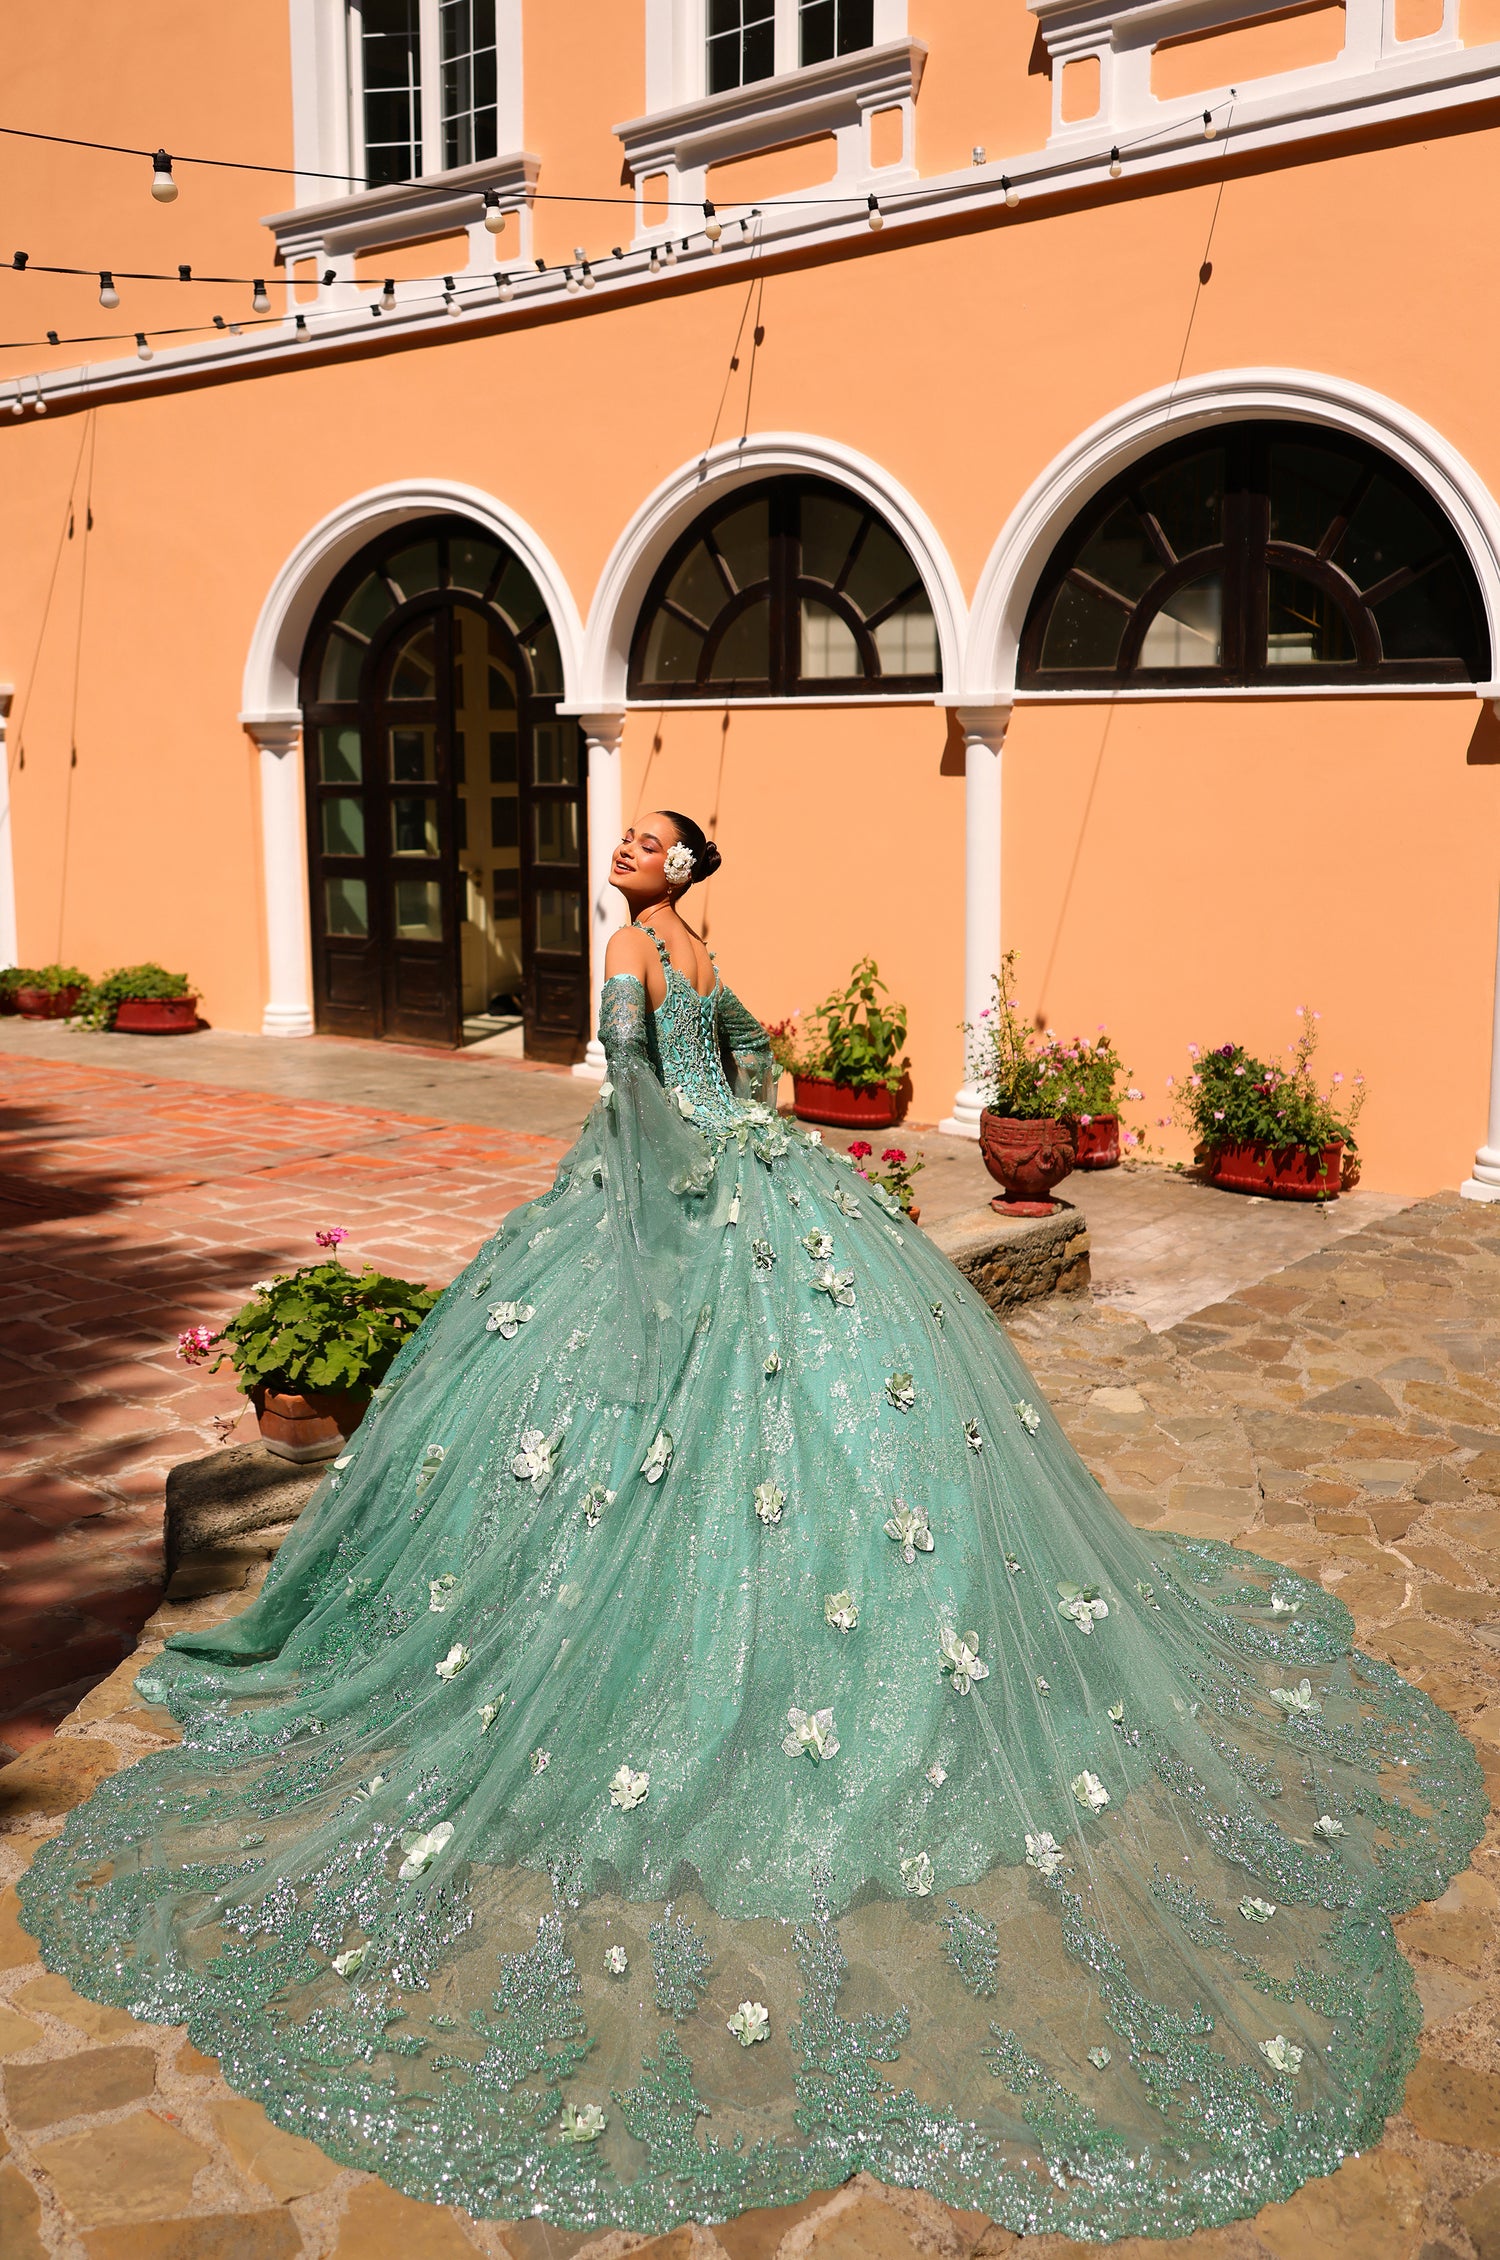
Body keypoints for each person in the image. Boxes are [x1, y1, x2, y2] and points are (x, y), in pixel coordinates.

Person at [21, 813, 1484, 2240]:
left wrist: (661, 1226)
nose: (625, 855)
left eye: (648, 846)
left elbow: (648, 1105)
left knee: (677, 1440)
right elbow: (757, 1067)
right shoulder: (701, 945)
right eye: (630, 846)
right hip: (776, 1183)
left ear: (680, 871)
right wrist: (748, 1145)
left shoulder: (633, 945)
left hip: (685, 1200)